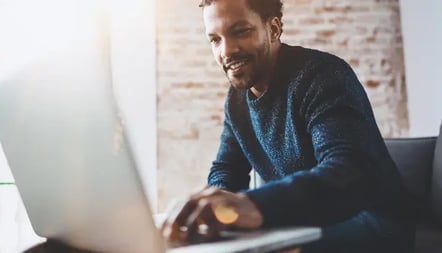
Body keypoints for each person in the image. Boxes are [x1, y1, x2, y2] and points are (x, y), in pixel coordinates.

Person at [161, 0, 416, 252]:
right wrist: (214, 211)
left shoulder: (323, 76)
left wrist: (255, 206)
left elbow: (348, 171)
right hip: (301, 224)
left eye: (240, 31)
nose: (226, 51)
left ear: (273, 29)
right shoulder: (236, 100)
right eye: (215, 39)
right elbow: (226, 170)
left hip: (373, 223)